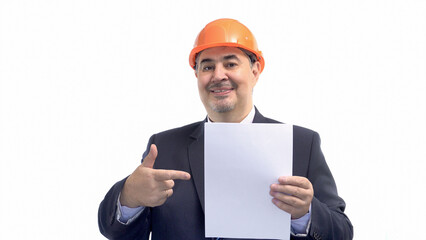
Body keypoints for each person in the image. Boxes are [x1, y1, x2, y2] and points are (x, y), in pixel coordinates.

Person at [98, 18, 353, 240]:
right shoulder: (164, 147)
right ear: (197, 76)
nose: (218, 75)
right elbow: (118, 233)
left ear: (255, 71)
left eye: (230, 64)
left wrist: (305, 213)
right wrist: (130, 197)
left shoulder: (300, 143)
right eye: (207, 66)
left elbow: (342, 232)